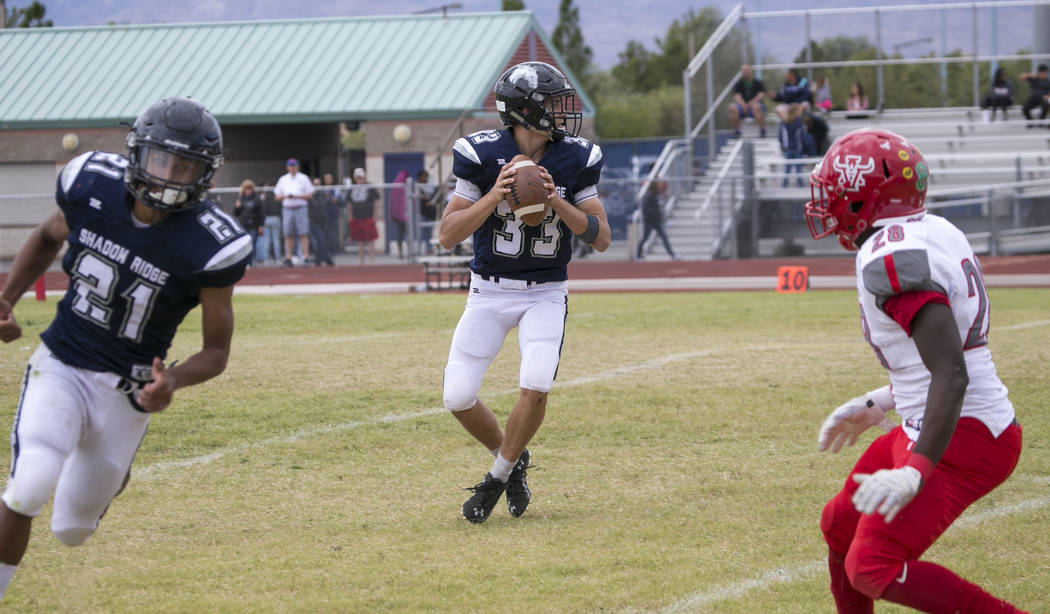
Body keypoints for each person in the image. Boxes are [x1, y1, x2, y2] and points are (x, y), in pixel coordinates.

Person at [0, 96, 251, 600]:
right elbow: (49, 236)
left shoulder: (211, 244)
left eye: (186, 166)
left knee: (71, 531)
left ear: (205, 175)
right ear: (138, 154)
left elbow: (217, 352)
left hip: (127, 393)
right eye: (163, 160)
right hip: (63, 363)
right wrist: (5, 299)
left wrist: (174, 380)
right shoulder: (92, 184)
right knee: (28, 486)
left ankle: (110, 472)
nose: (170, 176)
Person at [804, 128, 1028, 614]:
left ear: (866, 195)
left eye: (837, 191)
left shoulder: (889, 255)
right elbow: (944, 358)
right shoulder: (932, 229)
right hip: (943, 418)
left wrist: (915, 471)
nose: (828, 203)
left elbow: (951, 372)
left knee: (872, 565)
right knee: (840, 525)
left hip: (964, 435)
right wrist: (880, 401)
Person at [438, 61, 610, 523]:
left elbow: (601, 235)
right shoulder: (480, 154)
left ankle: (497, 476)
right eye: (553, 102)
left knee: (536, 383)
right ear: (526, 110)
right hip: (488, 290)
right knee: (456, 396)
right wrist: (494, 196)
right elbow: (447, 234)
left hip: (545, 292)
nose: (561, 111)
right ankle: (514, 457)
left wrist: (557, 200)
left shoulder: (576, 157)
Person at [274, 158, 313, 266]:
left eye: (294, 165)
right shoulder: (283, 179)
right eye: (290, 166)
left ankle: (305, 257)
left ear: (297, 166)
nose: (292, 167)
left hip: (300, 207)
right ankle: (288, 257)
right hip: (288, 209)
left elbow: (310, 194)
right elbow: (277, 196)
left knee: (303, 233)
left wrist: (296, 196)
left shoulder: (303, 178)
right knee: (288, 234)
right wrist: (286, 196)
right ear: (287, 167)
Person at [635, 179, 677, 260]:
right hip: (649, 222)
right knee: (644, 238)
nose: (660, 185)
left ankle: (672, 255)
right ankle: (638, 255)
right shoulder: (648, 195)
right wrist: (654, 214)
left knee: (664, 237)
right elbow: (645, 208)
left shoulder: (656, 195)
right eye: (658, 183)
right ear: (654, 185)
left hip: (657, 221)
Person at [347, 167, 379, 265]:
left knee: (370, 239)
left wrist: (375, 215)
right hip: (357, 217)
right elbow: (349, 203)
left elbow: (376, 201)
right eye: (358, 177)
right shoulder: (352, 188)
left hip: (368, 216)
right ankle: (361, 261)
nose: (360, 179)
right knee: (359, 240)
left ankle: (371, 260)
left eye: (361, 177)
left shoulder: (370, 187)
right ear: (355, 178)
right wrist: (350, 216)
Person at [728, 64, 767, 138]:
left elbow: (761, 95)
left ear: (750, 71)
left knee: (756, 106)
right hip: (742, 108)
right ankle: (737, 130)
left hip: (755, 107)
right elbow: (736, 96)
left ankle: (762, 129)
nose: (744, 72)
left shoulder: (758, 83)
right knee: (732, 107)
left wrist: (751, 103)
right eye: (743, 71)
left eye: (746, 70)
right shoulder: (739, 84)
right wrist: (743, 105)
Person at [233, 179, 264, 266]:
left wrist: (261, 225)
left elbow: (261, 213)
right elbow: (235, 213)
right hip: (243, 225)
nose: (248, 190)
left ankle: (249, 262)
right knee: (243, 245)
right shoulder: (241, 198)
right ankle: (244, 262)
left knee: (251, 244)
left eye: (249, 188)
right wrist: (237, 206)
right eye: (246, 188)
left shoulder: (256, 199)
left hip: (254, 225)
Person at [307, 177, 335, 266]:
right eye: (314, 184)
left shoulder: (323, 194)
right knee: (321, 240)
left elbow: (333, 202)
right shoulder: (310, 195)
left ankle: (318, 260)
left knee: (323, 241)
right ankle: (327, 259)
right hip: (313, 221)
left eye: (318, 184)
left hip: (323, 220)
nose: (316, 186)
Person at [779, 104, 806, 187]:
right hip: (797, 148)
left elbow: (780, 137)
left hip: (788, 148)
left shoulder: (783, 122)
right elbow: (803, 136)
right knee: (798, 169)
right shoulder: (799, 122)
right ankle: (800, 185)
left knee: (787, 168)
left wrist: (783, 146)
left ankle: (784, 185)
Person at [258, 179, 282, 265]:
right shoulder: (276, 196)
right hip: (275, 218)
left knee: (267, 240)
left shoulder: (265, 197)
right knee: (275, 240)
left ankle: (266, 259)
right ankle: (277, 258)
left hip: (267, 219)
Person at [415, 169, 438, 255]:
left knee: (429, 232)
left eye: (425, 176)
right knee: (421, 232)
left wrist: (431, 201)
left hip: (431, 212)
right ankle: (418, 250)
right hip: (422, 212)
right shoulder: (417, 186)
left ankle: (429, 249)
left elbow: (437, 198)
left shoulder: (432, 186)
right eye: (422, 176)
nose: (424, 178)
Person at [388, 170, 409, 259]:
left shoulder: (395, 187)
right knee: (407, 233)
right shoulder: (403, 186)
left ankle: (402, 252)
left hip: (398, 215)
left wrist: (392, 214)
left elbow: (391, 202)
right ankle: (407, 252)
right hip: (405, 214)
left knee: (400, 234)